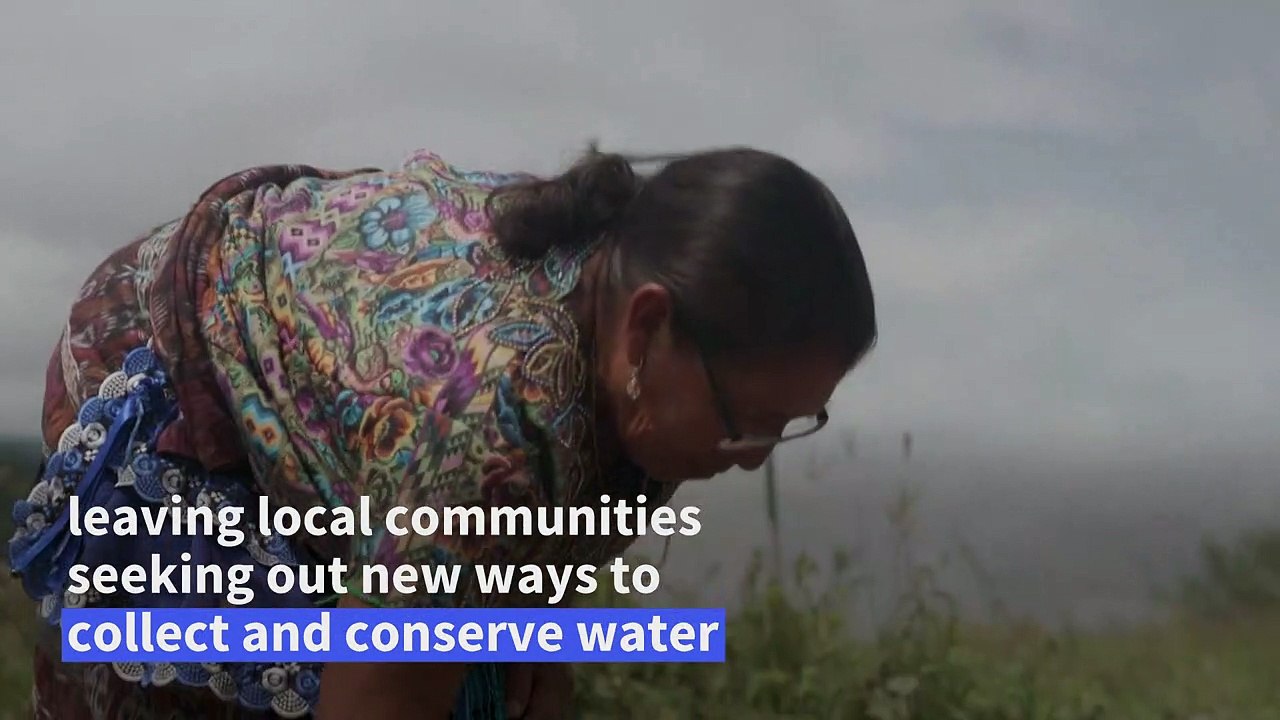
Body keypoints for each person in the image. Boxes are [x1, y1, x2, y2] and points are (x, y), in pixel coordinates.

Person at [6, 143, 877, 719]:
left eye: (788, 425)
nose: (752, 456)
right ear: (647, 330)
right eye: (744, 423)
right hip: (180, 363)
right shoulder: (500, 422)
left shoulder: (630, 328)